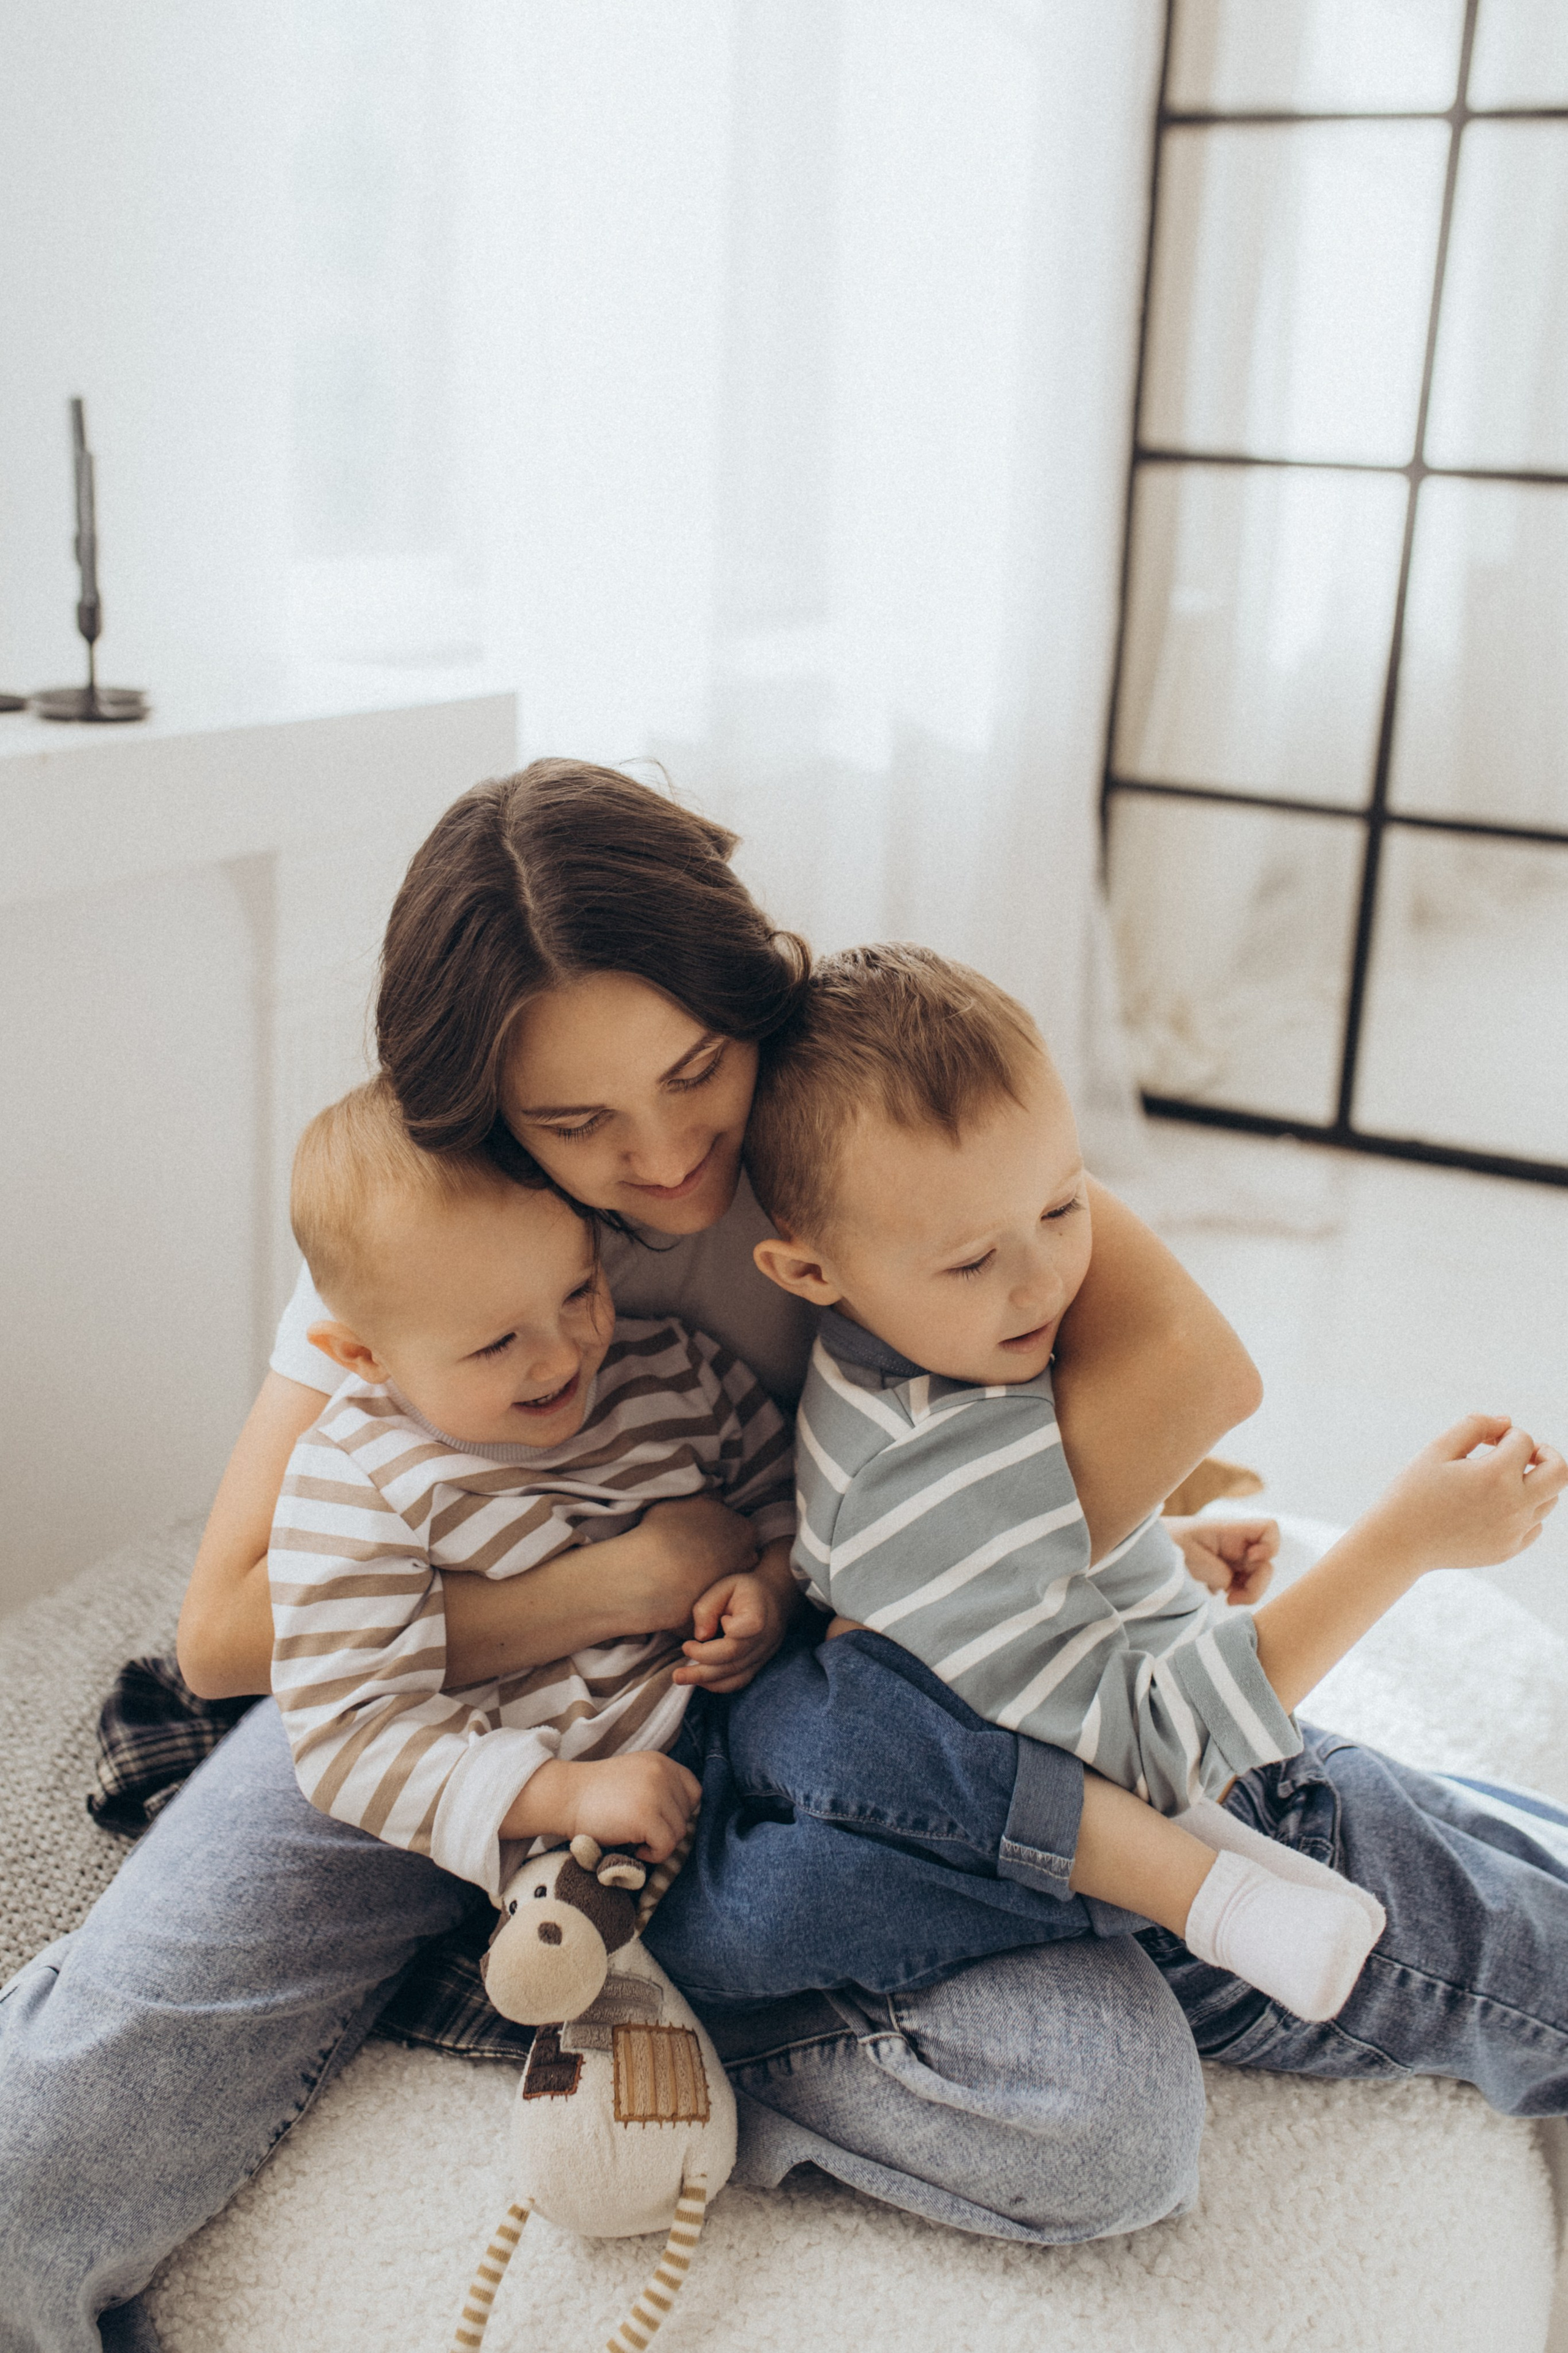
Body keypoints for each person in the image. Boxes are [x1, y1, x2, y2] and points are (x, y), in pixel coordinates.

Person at [0, 761, 1563, 2353]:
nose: (669, 1152)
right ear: (489, 1110)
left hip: (804, 1711)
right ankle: (513, 1953)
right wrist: (620, 1585)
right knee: (92, 2097)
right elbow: (223, 1636)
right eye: (579, 1122)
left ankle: (570, 1983)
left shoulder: (843, 1117)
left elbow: (1190, 1371)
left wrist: (961, 1556)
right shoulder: (433, 1211)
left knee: (1106, 2121)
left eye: (693, 1070)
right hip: (435, 1699)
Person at [729, 942, 1562, 2021]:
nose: (1045, 1278)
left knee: (1508, 1850)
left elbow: (1010, 1576)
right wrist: (1403, 1541)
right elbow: (1155, 1763)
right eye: (973, 1259)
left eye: (1067, 1206)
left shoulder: (917, 1358)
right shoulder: (920, 1495)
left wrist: (1140, 1553)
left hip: (1246, 1731)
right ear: (808, 1271)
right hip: (1216, 1846)